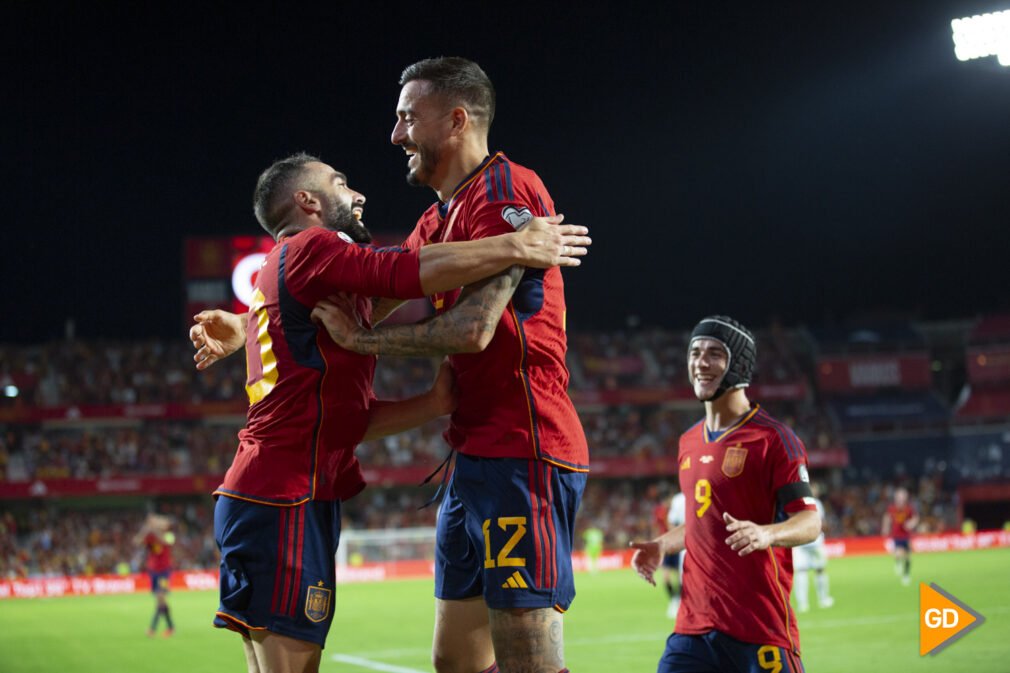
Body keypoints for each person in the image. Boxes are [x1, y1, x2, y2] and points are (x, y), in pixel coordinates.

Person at [190, 153, 591, 673]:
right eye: (341, 182)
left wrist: (433, 404)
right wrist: (517, 244)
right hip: (282, 495)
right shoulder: (315, 244)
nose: (357, 193)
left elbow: (345, 423)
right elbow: (400, 273)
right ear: (307, 201)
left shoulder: (285, 268)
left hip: (284, 492)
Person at [312, 57, 587, 673]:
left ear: (457, 120)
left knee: (527, 660)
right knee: (457, 660)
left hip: (524, 446)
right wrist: (251, 324)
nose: (396, 135)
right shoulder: (436, 220)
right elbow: (369, 296)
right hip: (473, 457)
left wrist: (361, 343)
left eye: (408, 117)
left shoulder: (506, 193)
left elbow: (471, 329)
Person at [629, 316, 821, 673]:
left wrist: (767, 533)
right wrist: (662, 545)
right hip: (693, 631)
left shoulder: (774, 439)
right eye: (695, 352)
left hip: (758, 629)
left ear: (739, 364)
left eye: (715, 353)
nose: (701, 362)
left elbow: (811, 521)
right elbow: (702, 523)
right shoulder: (687, 442)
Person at [792, 484, 834, 612]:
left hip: (801, 541)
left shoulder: (797, 503)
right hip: (815, 540)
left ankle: (803, 604)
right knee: (819, 570)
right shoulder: (817, 504)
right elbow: (821, 523)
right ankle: (823, 599)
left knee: (802, 571)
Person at [134, 513, 175, 638]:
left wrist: (153, 528)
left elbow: (164, 541)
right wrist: (145, 529)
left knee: (160, 597)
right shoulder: (151, 536)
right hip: (154, 572)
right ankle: (170, 627)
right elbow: (136, 542)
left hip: (164, 571)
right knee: (160, 600)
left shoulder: (169, 535)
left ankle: (152, 628)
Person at [881, 486, 918, 586]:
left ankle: (906, 575)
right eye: (899, 497)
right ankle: (897, 563)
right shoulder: (892, 508)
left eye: (903, 497)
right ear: (896, 498)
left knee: (908, 557)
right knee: (898, 553)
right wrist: (885, 527)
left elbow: (915, 518)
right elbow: (887, 517)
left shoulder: (909, 509)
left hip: (906, 535)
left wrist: (911, 523)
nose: (901, 499)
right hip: (896, 535)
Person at [660, 490, 686, 619]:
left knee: (682, 577)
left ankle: (679, 602)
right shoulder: (678, 499)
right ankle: (673, 601)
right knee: (666, 575)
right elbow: (670, 521)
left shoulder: (695, 494)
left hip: (686, 543)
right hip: (676, 541)